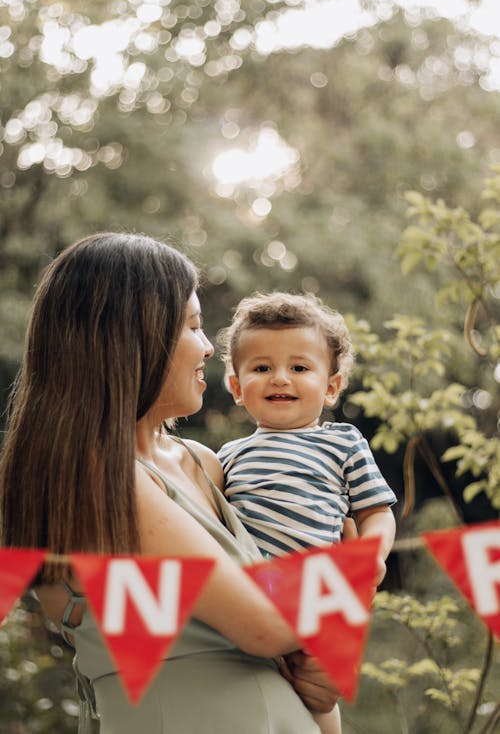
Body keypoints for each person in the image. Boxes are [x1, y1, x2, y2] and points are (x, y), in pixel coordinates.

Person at [0, 233, 339, 734]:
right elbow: (267, 627)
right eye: (193, 326)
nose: (207, 348)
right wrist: (357, 577)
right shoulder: (101, 480)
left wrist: (319, 675)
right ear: (128, 338)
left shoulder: (204, 462)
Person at [217, 292, 398, 734]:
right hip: (247, 606)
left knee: (318, 697)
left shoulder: (342, 442)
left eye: (299, 367)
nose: (281, 378)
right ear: (237, 388)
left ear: (331, 386)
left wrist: (370, 555)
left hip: (315, 597)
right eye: (262, 368)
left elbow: (377, 511)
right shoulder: (225, 455)